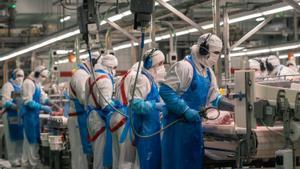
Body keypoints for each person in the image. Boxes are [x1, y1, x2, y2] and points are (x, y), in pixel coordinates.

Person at [159, 33, 234, 169]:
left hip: (195, 128)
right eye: (215, 52)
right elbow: (165, 91)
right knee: (177, 163)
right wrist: (185, 110)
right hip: (177, 128)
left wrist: (234, 106)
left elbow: (214, 99)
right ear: (204, 50)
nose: (217, 57)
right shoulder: (184, 67)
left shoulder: (209, 72)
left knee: (194, 163)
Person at [129, 48, 166, 169]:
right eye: (160, 64)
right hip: (146, 131)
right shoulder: (143, 79)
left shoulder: (151, 80)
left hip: (152, 130)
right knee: (147, 164)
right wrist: (155, 105)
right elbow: (135, 104)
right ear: (151, 64)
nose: (162, 67)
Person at [85, 54, 118, 169]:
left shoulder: (91, 77)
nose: (115, 71)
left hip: (90, 117)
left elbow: (86, 99)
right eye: (115, 68)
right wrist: (118, 106)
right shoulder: (105, 80)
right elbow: (106, 105)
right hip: (99, 121)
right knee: (101, 156)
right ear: (109, 67)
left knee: (96, 152)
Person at [111, 62, 142, 169]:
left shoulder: (121, 78)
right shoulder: (136, 77)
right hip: (125, 119)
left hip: (116, 117)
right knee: (127, 159)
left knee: (117, 157)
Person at [20, 66, 53, 169]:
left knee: (28, 141)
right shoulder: (28, 83)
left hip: (34, 115)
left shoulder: (36, 83)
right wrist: (42, 107)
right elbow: (28, 101)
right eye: (42, 76)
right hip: (29, 115)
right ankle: (34, 164)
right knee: (32, 139)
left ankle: (25, 163)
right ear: (37, 74)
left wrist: (51, 103)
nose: (43, 79)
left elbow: (43, 96)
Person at [68, 60, 93, 169]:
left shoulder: (84, 74)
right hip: (78, 117)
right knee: (79, 150)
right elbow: (83, 98)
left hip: (80, 115)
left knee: (82, 150)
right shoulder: (81, 75)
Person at [1, 68, 24, 167]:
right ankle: (12, 159)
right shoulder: (8, 85)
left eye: (22, 76)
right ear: (13, 76)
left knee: (20, 137)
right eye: (18, 75)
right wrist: (16, 107)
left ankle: (19, 158)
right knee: (12, 138)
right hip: (10, 114)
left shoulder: (22, 86)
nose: (20, 78)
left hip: (19, 115)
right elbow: (5, 101)